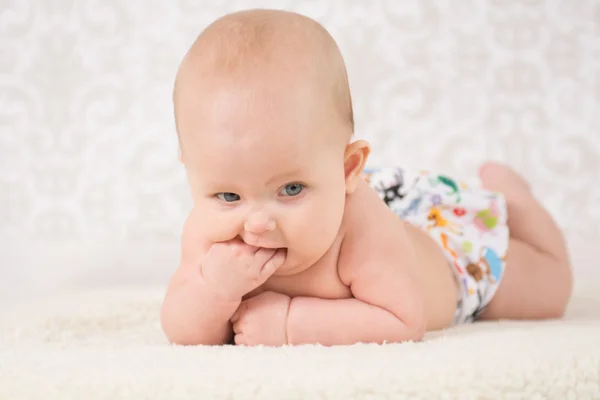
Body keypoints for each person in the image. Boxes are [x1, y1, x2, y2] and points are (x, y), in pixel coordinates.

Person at [160, 8, 573, 346]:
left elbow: (402, 320)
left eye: (290, 189)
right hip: (371, 203)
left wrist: (292, 324)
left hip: (451, 257)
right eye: (228, 196)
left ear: (346, 171)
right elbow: (181, 329)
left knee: (548, 294)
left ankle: (516, 202)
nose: (257, 223)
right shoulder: (207, 235)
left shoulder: (358, 229)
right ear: (192, 170)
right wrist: (213, 291)